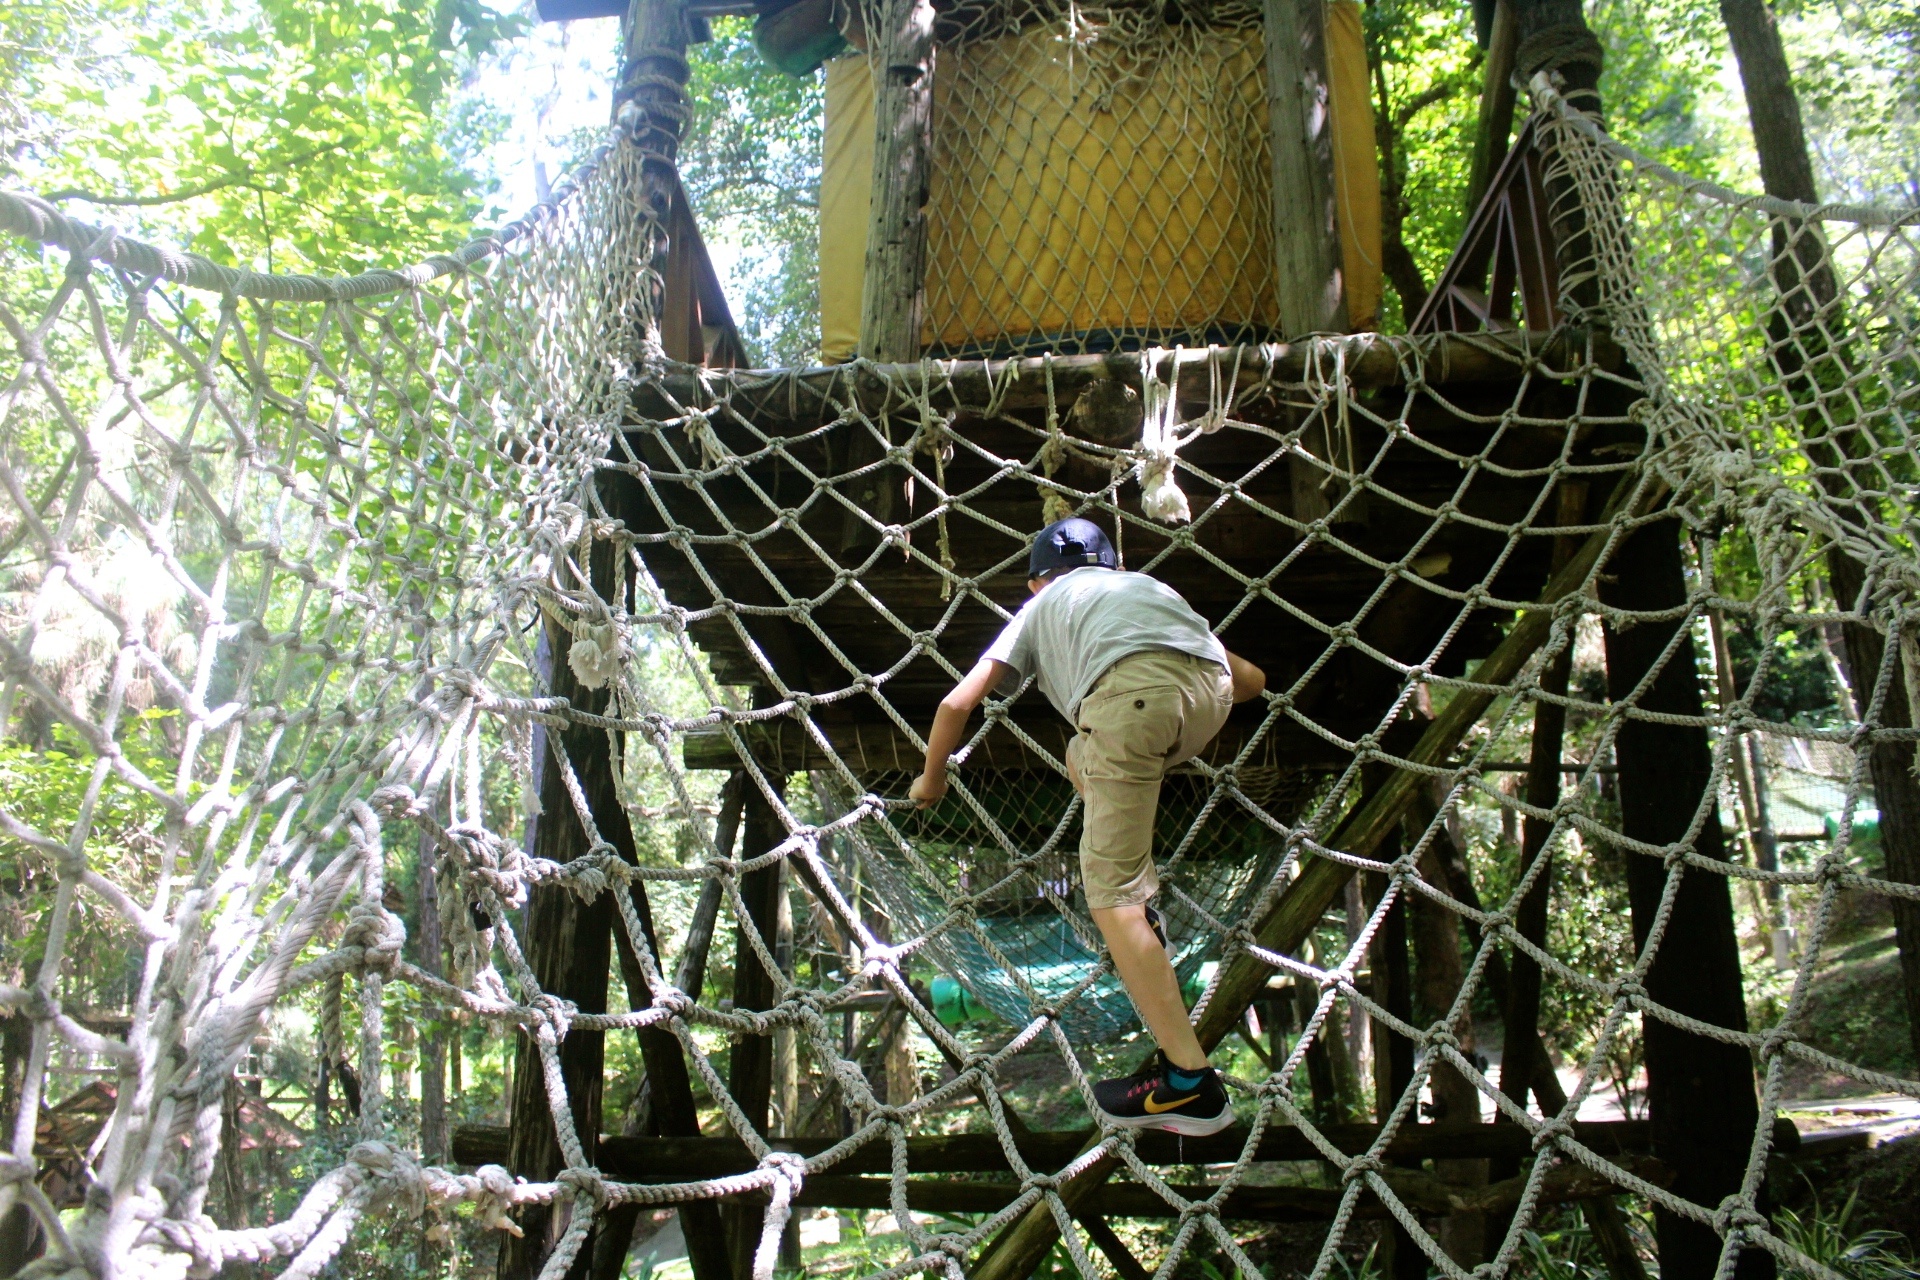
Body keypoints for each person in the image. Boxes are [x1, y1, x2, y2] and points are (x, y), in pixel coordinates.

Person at [909, 517, 1266, 1136]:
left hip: (1127, 705)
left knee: (1109, 897)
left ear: (1033, 582)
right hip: (1205, 697)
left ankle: (1189, 1084)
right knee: (1086, 755)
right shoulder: (1144, 588)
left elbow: (954, 704)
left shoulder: (1040, 607)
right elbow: (1253, 682)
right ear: (1110, 564)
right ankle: (1140, 893)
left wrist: (932, 779)